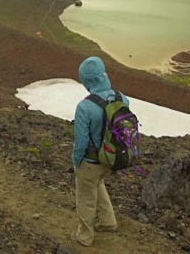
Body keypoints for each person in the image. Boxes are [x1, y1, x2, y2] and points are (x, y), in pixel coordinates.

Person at [70, 56, 130, 247]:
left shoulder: (85, 107)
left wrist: (76, 161)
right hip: (110, 159)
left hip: (90, 161)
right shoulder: (122, 99)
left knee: (86, 197)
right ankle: (108, 221)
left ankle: (85, 236)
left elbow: (81, 142)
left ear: (86, 80)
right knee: (99, 183)